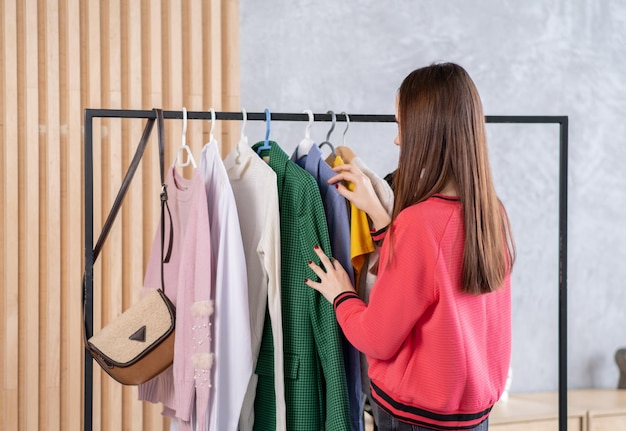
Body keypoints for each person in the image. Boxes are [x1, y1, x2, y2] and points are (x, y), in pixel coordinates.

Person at [305, 62, 515, 431]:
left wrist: (342, 294)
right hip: (472, 419)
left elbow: (375, 339)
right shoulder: (490, 211)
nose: (397, 140)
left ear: (426, 133)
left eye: (401, 125)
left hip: (414, 420)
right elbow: (435, 280)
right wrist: (384, 221)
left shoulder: (420, 222)